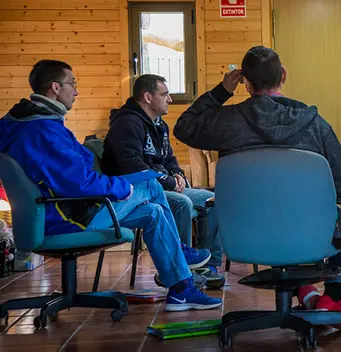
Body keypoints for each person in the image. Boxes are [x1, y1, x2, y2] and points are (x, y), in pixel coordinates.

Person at [0, 60, 222, 312]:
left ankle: (181, 291)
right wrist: (121, 189)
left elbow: (74, 177)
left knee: (154, 213)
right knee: (149, 184)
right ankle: (182, 255)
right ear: (54, 87)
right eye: (72, 84)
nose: (76, 90)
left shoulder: (22, 123)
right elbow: (81, 184)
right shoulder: (44, 132)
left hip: (54, 212)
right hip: (69, 217)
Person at [173, 46, 341, 313]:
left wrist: (222, 91)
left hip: (245, 233)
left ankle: (305, 291)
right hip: (309, 231)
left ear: (245, 84)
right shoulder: (315, 124)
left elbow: (184, 127)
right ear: (283, 75)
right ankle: (333, 297)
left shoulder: (227, 122)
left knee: (273, 211)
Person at [101, 75, 224, 287]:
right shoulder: (127, 124)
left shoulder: (160, 125)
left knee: (212, 199)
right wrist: (169, 182)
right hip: (136, 193)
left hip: (164, 185)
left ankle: (208, 267)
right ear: (148, 97)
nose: (170, 100)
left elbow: (169, 159)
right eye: (165, 94)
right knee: (181, 202)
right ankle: (181, 269)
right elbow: (132, 167)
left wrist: (178, 175)